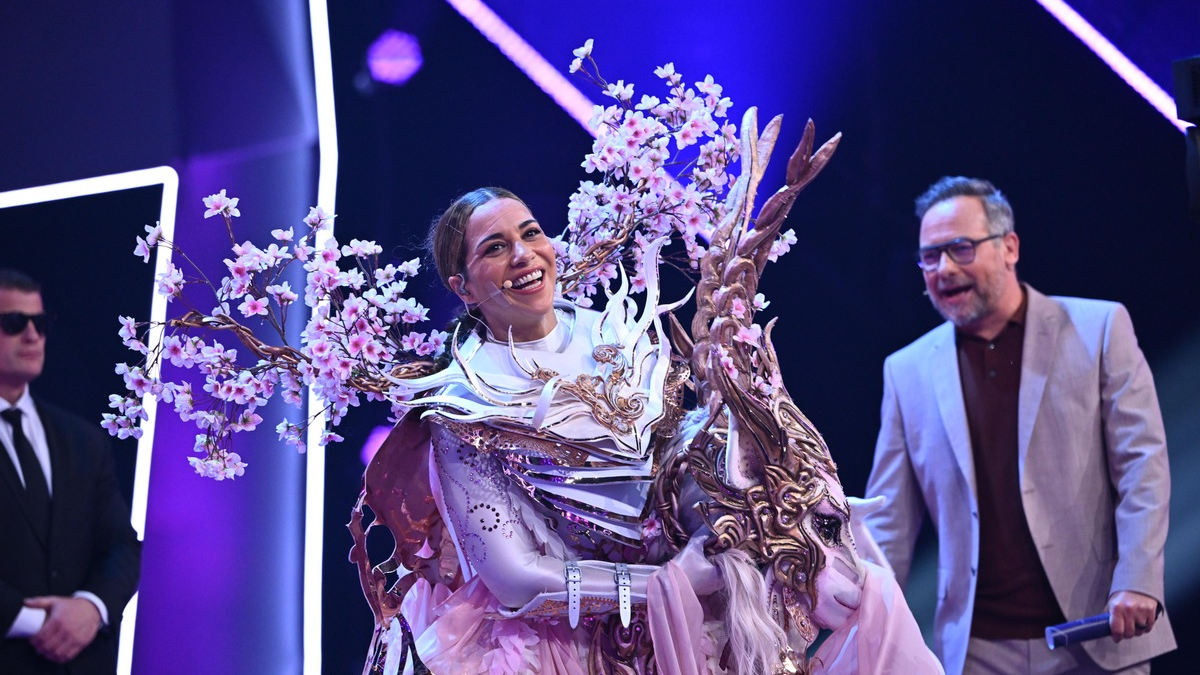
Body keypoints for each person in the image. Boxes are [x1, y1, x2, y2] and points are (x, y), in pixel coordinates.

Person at [863, 177, 1176, 675]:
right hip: (978, 651)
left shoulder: (1099, 328)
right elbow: (888, 522)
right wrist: (864, 626)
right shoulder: (907, 370)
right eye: (929, 256)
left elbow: (1143, 467)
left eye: (960, 249)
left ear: (1009, 247)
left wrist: (1138, 578)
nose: (943, 269)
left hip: (1097, 632)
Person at [0, 269, 141, 674]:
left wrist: (91, 608)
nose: (32, 336)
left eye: (40, 324)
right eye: (14, 323)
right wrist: (37, 622)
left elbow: (121, 545)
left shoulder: (83, 439)